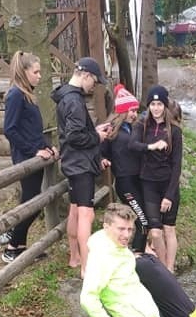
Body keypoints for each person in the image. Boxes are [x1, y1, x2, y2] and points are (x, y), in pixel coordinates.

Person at [52, 57, 113, 276]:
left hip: (71, 162)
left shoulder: (66, 97)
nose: (93, 87)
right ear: (85, 75)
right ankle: (87, 268)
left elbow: (74, 133)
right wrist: (97, 136)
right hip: (80, 164)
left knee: (75, 210)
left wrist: (94, 130)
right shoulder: (75, 101)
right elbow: (75, 136)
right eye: (94, 82)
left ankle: (75, 257)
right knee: (86, 214)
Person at [1, 51, 57, 263]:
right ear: (24, 72)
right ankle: (12, 245)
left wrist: (46, 147)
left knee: (33, 201)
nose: (39, 76)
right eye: (36, 72)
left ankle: (19, 244)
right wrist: (33, 150)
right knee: (31, 203)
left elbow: (33, 130)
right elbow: (10, 130)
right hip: (25, 159)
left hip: (35, 156)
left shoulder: (28, 94)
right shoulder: (15, 95)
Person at [129, 84, 182, 272]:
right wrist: (150, 147)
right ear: (149, 106)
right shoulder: (142, 126)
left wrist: (169, 195)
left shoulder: (174, 131)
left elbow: (177, 165)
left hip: (168, 184)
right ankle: (163, 266)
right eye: (153, 104)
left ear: (165, 106)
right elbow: (132, 145)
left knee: (169, 229)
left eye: (160, 104)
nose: (156, 108)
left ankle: (169, 268)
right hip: (149, 183)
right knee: (155, 232)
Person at [102, 83, 148, 252]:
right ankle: (135, 255)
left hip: (138, 181)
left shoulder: (134, 129)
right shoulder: (112, 132)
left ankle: (135, 253)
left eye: (136, 111)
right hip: (125, 182)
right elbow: (101, 151)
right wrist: (102, 159)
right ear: (122, 111)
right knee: (142, 221)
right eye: (131, 111)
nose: (134, 114)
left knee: (143, 220)